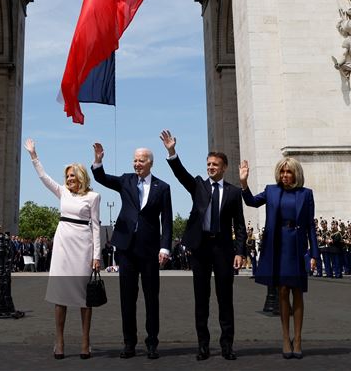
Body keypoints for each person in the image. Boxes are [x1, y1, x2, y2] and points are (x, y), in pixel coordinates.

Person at [160, 130, 246, 361]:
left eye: (215, 165)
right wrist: (171, 152)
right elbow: (181, 175)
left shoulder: (234, 192)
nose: (210, 167)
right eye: (208, 164)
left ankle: (227, 345)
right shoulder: (198, 186)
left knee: (224, 298)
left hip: (223, 249)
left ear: (224, 167)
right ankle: (203, 346)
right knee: (201, 298)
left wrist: (241, 252)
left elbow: (240, 225)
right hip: (201, 248)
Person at [91, 142, 172, 360]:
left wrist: (165, 247)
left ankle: (152, 343)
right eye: (135, 160)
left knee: (151, 298)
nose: (137, 164)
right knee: (127, 298)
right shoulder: (126, 180)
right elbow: (102, 179)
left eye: (141, 160)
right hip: (126, 249)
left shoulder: (163, 188)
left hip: (150, 250)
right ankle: (129, 343)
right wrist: (98, 160)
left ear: (150, 163)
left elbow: (167, 220)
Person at [25, 138, 102, 359]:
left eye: (71, 176)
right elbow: (43, 177)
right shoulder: (62, 192)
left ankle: (85, 342)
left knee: (84, 297)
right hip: (62, 245)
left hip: (83, 246)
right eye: (67, 176)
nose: (68, 179)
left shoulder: (93, 196)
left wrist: (97, 255)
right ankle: (59, 341)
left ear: (81, 178)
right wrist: (34, 155)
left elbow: (96, 226)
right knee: (60, 295)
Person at [239, 157, 318, 359]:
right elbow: (251, 202)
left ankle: (298, 339)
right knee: (282, 290)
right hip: (278, 245)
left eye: (289, 172)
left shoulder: (306, 194)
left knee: (298, 292)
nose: (285, 175)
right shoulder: (271, 190)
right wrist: (244, 182)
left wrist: (314, 254)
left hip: (297, 246)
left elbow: (310, 226)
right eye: (282, 172)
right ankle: (285, 338)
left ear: (296, 174)